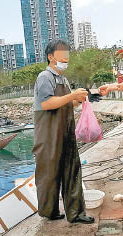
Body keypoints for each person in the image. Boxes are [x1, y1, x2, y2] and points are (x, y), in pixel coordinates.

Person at [32, 39, 94, 224]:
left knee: (72, 171)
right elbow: (47, 103)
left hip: (66, 133)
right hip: (48, 136)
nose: (66, 58)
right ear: (51, 57)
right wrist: (71, 96)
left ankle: (76, 213)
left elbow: (67, 103)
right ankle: (49, 211)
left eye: (67, 54)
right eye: (62, 54)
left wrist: (79, 100)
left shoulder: (63, 79)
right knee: (48, 175)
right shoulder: (45, 77)